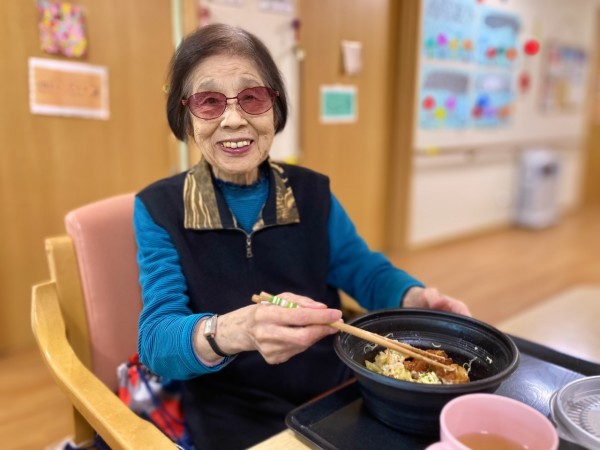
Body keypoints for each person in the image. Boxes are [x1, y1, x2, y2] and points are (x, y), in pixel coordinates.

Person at [134, 23, 470, 450]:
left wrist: (414, 298)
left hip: (334, 391)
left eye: (252, 97)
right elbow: (156, 341)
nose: (234, 119)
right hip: (233, 412)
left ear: (274, 108)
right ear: (185, 116)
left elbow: (363, 269)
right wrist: (235, 331)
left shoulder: (311, 191)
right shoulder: (159, 208)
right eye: (209, 101)